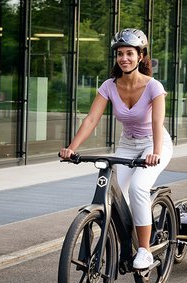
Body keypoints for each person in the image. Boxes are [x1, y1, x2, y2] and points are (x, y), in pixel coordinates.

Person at [59, 28, 174, 270]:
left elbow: (156, 122)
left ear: (141, 56)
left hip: (154, 144)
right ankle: (118, 242)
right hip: (127, 145)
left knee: (138, 188)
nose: (124, 58)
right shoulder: (109, 86)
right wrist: (71, 148)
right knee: (113, 196)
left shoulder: (154, 86)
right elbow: (91, 119)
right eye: (120, 53)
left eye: (130, 53)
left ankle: (144, 250)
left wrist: (154, 151)